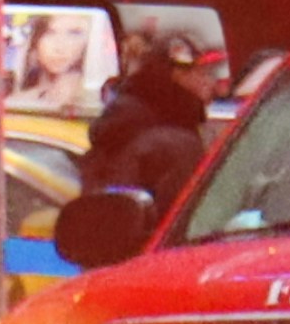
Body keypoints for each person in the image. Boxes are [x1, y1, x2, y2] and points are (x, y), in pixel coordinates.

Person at [84, 19, 217, 208]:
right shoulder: (176, 143)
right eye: (202, 72)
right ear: (177, 76)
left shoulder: (127, 120)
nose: (210, 82)